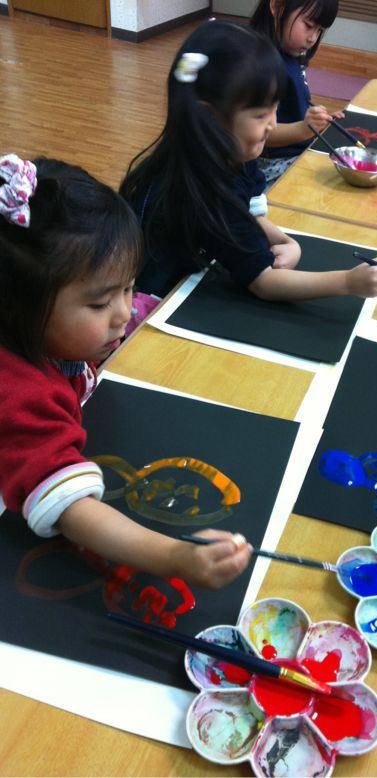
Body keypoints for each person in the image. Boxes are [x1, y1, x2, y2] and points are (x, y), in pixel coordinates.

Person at [0, 154, 252, 591]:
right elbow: (70, 507)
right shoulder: (20, 393)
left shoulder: (50, 339)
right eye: (100, 303)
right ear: (18, 306)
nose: (123, 313)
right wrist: (174, 556)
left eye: (129, 287)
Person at [121, 21, 377, 302]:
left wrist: (285, 240)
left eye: (275, 109)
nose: (273, 124)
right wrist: (348, 282)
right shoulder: (207, 192)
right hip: (153, 304)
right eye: (261, 115)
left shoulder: (228, 155)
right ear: (209, 119)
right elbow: (264, 282)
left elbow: (247, 215)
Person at [250, 0, 342, 187]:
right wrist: (303, 129)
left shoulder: (290, 55)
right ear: (277, 6)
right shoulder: (261, 63)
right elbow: (256, 132)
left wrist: (319, 121)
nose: (312, 38)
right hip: (274, 166)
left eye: (319, 30)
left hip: (298, 153)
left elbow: (295, 107)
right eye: (308, 25)